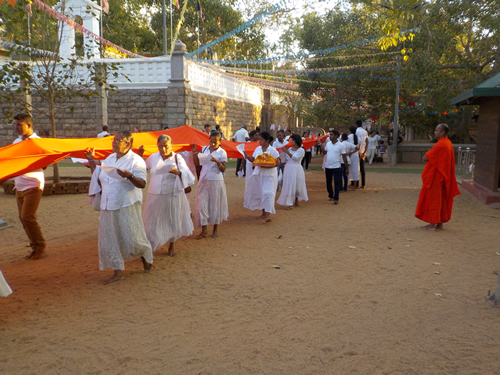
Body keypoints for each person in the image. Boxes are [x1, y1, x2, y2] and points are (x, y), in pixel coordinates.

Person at [84, 130, 153, 284]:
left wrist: (129, 176)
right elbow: (99, 176)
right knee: (110, 238)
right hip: (108, 203)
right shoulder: (109, 158)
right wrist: (91, 160)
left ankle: (145, 254)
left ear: (128, 144)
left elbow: (142, 184)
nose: (114, 142)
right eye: (114, 140)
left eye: (118, 140)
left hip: (126, 203)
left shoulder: (136, 160)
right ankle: (117, 271)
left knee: (132, 238)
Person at [139, 135, 195, 257]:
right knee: (151, 220)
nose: (163, 149)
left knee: (172, 219)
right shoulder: (153, 157)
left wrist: (179, 172)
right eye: (160, 146)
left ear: (171, 145)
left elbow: (188, 174)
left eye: (166, 146)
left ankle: (171, 245)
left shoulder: (177, 158)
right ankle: (150, 247)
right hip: (154, 193)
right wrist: (140, 155)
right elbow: (142, 168)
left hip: (172, 194)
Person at [12, 114, 46, 260]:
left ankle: (40, 246)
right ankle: (35, 245)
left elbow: (44, 164)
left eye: (20, 124)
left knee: (27, 216)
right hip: (19, 185)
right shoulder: (16, 141)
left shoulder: (37, 142)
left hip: (33, 183)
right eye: (16, 124)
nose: (17, 127)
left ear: (29, 125)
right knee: (23, 218)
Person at [415, 124, 461, 230]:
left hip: (437, 177)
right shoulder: (448, 143)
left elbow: (425, 158)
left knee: (434, 199)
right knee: (442, 199)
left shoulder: (441, 144)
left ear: (442, 133)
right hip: (444, 175)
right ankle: (439, 222)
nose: (435, 132)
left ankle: (433, 223)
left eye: (436, 130)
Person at [192, 131, 228, 239]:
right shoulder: (204, 149)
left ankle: (215, 229)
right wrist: (194, 153)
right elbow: (197, 164)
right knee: (201, 205)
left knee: (215, 204)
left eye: (215, 142)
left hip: (216, 180)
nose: (212, 144)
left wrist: (217, 162)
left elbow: (223, 169)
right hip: (204, 179)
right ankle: (204, 230)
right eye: (211, 141)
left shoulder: (222, 152)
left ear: (219, 141)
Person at [243, 131, 279, 222]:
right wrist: (247, 156)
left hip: (270, 175)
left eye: (261, 140)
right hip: (259, 174)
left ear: (267, 140)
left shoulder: (273, 150)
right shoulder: (257, 149)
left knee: (268, 193)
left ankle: (267, 215)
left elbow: (277, 163)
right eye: (259, 140)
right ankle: (263, 213)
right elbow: (254, 160)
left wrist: (267, 165)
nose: (260, 141)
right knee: (261, 193)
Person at [277, 134, 308, 209]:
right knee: (289, 184)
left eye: (293, 140)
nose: (291, 142)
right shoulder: (290, 149)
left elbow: (295, 158)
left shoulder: (301, 150)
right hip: (289, 167)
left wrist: (286, 152)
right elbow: (287, 158)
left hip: (296, 168)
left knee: (297, 184)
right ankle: (289, 203)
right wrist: (283, 152)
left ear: (296, 141)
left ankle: (296, 200)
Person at [323, 130, 349, 204]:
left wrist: (347, 168)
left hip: (336, 166)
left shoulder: (341, 145)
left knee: (337, 182)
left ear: (336, 136)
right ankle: (331, 195)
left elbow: (344, 157)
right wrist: (321, 144)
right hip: (328, 166)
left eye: (331, 135)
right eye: (330, 135)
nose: (330, 136)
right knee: (328, 182)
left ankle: (336, 197)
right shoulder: (328, 144)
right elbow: (324, 152)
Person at [242, 130, 262, 211]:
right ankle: (248, 196)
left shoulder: (259, 144)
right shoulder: (247, 144)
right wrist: (241, 165)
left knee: (256, 180)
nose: (257, 137)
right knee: (249, 179)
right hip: (249, 163)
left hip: (257, 164)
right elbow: (244, 154)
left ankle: (256, 196)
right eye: (255, 135)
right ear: (251, 136)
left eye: (258, 135)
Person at [355, 120, 369, 188]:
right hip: (363, 151)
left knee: (356, 168)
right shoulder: (365, 131)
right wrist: (365, 152)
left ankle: (355, 183)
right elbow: (367, 142)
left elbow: (358, 143)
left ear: (356, 125)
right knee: (362, 168)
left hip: (357, 151)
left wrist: (359, 153)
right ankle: (363, 184)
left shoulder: (356, 131)